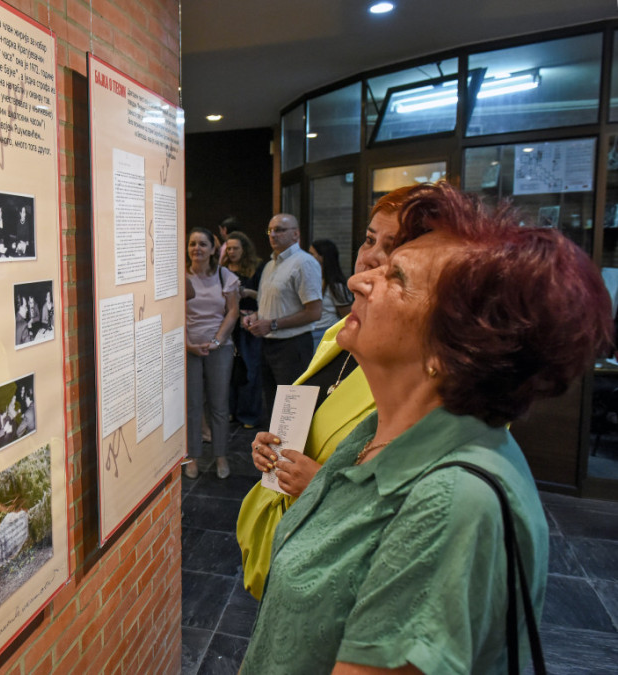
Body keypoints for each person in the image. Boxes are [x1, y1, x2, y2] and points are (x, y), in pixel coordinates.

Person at [239, 182, 613, 674]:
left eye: (396, 277)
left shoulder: (451, 503)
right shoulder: (375, 432)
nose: (358, 280)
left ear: (452, 348)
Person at [238, 184, 414, 601]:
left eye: (393, 249)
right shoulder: (342, 334)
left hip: (329, 581)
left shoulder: (426, 384)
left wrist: (320, 484)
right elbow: (307, 414)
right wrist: (271, 446)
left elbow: (412, 522)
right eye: (369, 239)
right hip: (282, 550)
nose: (364, 265)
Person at [242, 213, 323, 415]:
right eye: (270, 230)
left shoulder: (304, 263)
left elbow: (314, 312)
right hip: (268, 344)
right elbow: (269, 305)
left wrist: (273, 324)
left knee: (292, 409)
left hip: (292, 346)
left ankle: (292, 447)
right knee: (272, 405)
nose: (273, 235)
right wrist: (256, 317)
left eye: (279, 230)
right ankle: (275, 446)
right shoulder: (270, 265)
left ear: (295, 234)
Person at [185, 227, 240, 479]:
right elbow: (173, 314)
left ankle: (220, 456)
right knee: (192, 405)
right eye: (193, 243)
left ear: (212, 249)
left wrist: (217, 341)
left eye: (202, 244)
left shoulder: (224, 275)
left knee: (219, 405)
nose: (197, 248)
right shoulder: (180, 277)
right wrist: (187, 344)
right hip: (188, 349)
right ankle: (192, 457)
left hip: (219, 348)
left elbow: (232, 312)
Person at [221, 231, 264, 428]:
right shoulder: (222, 269)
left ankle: (249, 415)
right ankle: (231, 410)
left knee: (249, 369)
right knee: (229, 370)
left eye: (235, 248)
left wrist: (247, 292)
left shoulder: (256, 268)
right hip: (228, 324)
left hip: (249, 325)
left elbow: (265, 296)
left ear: (244, 249)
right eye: (228, 248)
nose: (231, 252)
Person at [308, 238, 354, 349]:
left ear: (322, 257)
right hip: (310, 332)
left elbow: (347, 317)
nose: (308, 258)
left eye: (312, 254)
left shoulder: (336, 286)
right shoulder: (313, 280)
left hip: (326, 333)